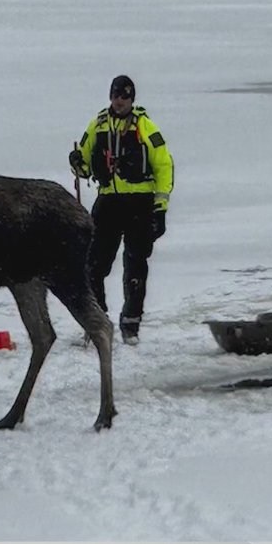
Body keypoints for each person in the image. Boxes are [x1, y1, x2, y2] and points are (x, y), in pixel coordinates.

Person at [69, 75, 174, 345]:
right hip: (108, 203)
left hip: (140, 203)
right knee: (93, 264)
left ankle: (131, 324)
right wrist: (77, 163)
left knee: (135, 265)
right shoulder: (98, 125)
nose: (120, 101)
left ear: (132, 99)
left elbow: (164, 166)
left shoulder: (146, 127)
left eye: (125, 97)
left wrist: (160, 209)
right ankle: (96, 321)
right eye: (116, 96)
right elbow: (85, 168)